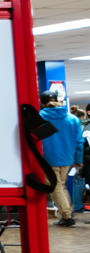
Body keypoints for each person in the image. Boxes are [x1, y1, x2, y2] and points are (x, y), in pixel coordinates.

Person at [40, 94, 82, 227]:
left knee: (55, 188)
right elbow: (79, 141)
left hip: (48, 158)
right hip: (67, 159)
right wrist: (78, 159)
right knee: (61, 186)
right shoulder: (72, 118)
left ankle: (67, 217)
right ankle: (67, 213)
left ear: (41, 102)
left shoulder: (39, 118)